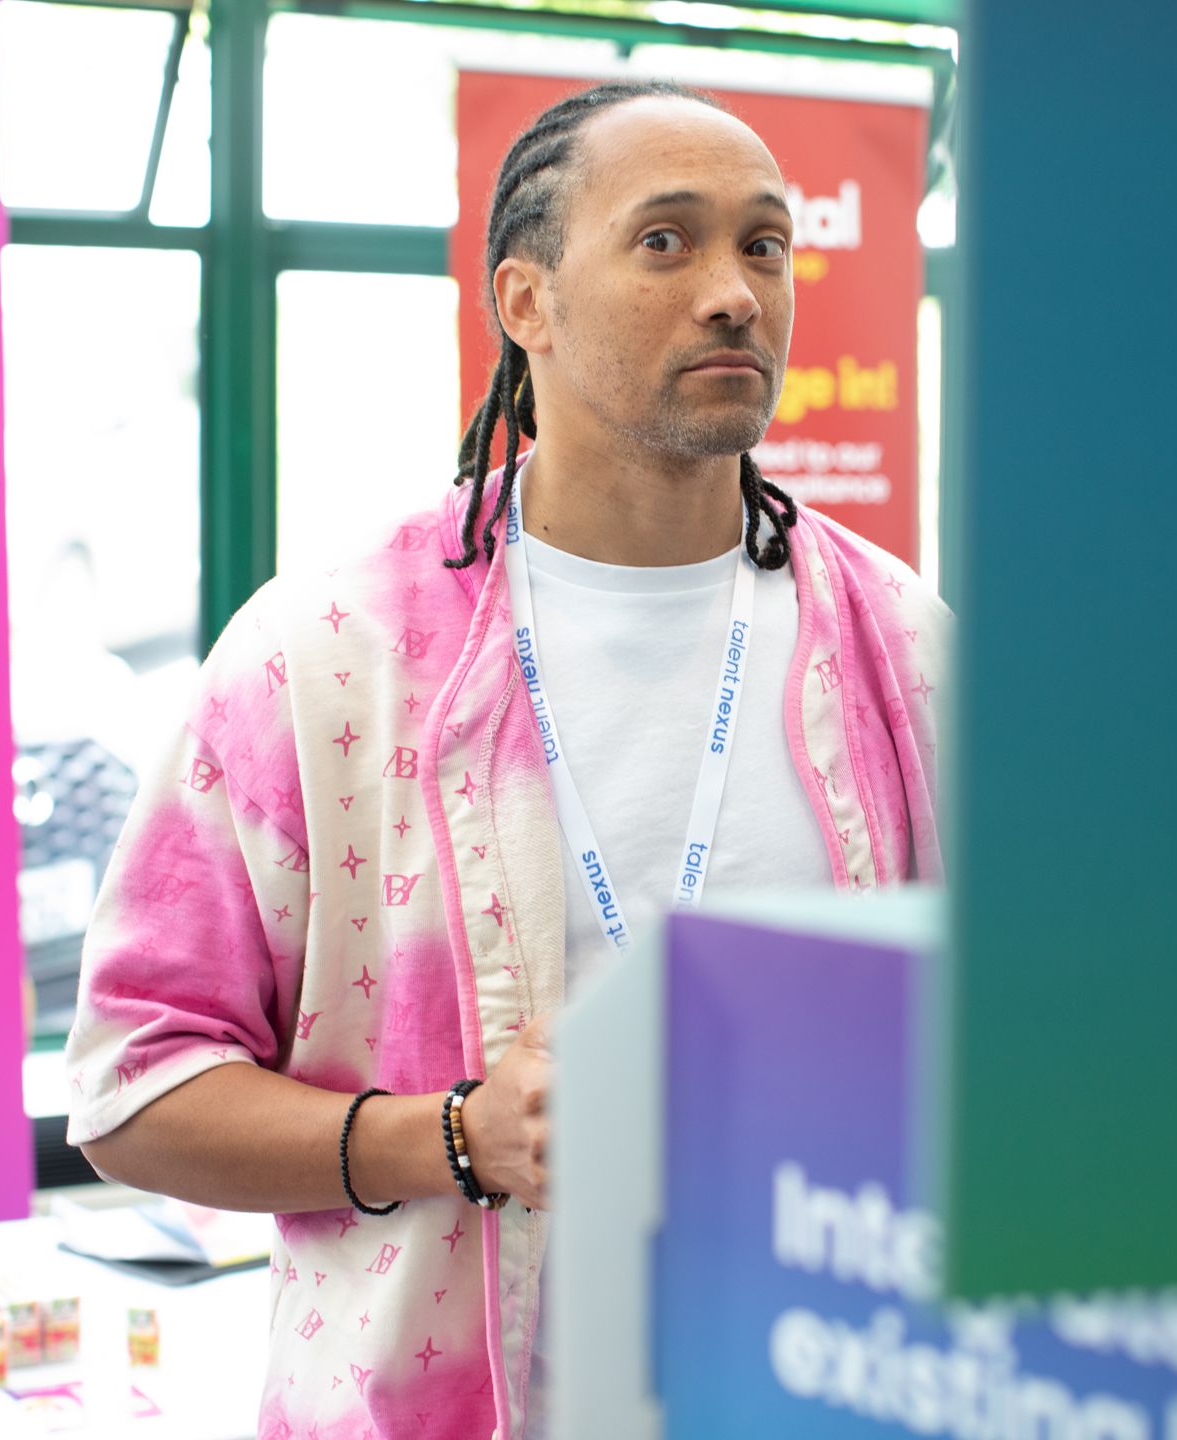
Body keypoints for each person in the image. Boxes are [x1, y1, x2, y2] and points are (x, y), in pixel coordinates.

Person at [65, 80, 947, 1440]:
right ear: (525, 302)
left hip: (825, 1393)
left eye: (765, 245)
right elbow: (133, 1085)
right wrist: (455, 1138)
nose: (734, 292)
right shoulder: (328, 652)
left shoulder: (899, 646)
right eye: (667, 241)